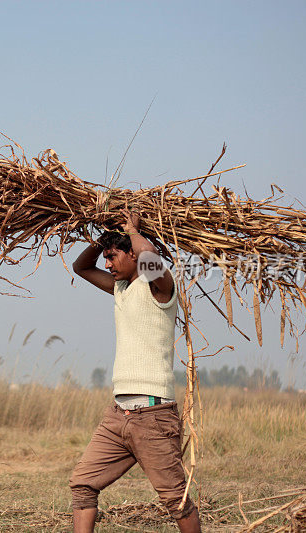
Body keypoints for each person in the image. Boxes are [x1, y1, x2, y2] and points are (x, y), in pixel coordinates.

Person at [68, 209, 201, 533]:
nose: (108, 264)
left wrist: (132, 230)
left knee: (175, 498)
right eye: (107, 258)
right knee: (82, 484)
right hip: (118, 416)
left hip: (153, 417)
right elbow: (81, 267)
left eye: (113, 257)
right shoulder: (120, 289)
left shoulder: (160, 288)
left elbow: (150, 257)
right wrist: (103, 240)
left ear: (132, 254)